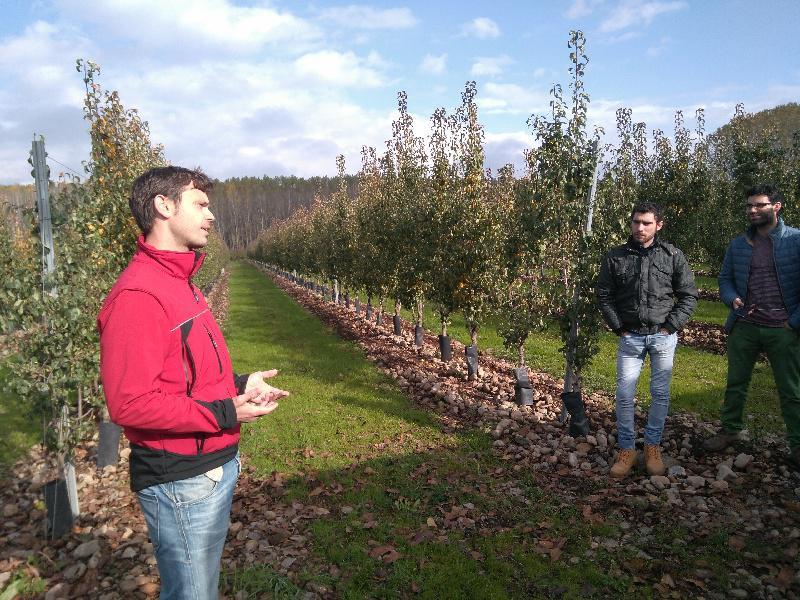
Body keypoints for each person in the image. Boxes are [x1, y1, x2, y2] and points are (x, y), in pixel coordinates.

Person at [98, 166, 289, 599]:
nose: (211, 215)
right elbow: (130, 404)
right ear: (163, 206)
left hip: (208, 466)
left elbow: (187, 373)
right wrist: (226, 411)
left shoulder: (179, 282)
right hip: (182, 477)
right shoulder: (140, 296)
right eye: (200, 204)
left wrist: (239, 385)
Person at [597, 202, 698, 479]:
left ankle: (652, 447)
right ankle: (627, 449)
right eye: (636, 222)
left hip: (662, 337)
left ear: (658, 225)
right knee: (625, 395)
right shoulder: (615, 257)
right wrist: (619, 328)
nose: (640, 228)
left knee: (661, 394)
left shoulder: (672, 255)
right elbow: (604, 295)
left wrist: (670, 327)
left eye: (646, 223)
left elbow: (688, 295)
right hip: (630, 339)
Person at [704, 184, 800, 466]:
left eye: (759, 205)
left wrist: (793, 323)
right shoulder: (739, 245)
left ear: (777, 207)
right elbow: (725, 279)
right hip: (745, 325)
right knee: (736, 383)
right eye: (749, 206)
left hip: (783, 328)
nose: (753, 211)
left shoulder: (795, 241)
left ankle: (797, 443)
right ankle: (730, 430)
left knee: (791, 389)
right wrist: (731, 297)